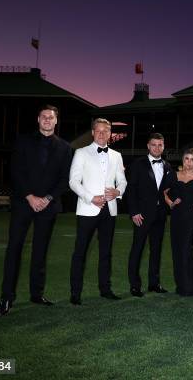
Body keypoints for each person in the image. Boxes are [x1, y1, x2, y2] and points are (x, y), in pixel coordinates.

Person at [0, 105, 72, 315]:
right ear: (38, 119)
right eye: (44, 117)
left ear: (56, 121)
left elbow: (65, 180)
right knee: (14, 249)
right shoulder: (23, 141)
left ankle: (36, 294)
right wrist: (30, 196)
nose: (47, 120)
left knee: (40, 250)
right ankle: (7, 297)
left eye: (51, 117)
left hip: (48, 206)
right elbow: (16, 172)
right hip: (23, 203)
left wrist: (47, 199)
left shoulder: (65, 147)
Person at [68, 118, 127, 305]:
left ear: (110, 133)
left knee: (106, 252)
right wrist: (90, 198)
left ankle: (105, 289)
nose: (102, 134)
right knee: (80, 252)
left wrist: (118, 192)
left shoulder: (117, 155)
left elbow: (123, 181)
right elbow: (73, 181)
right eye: (98, 131)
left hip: (109, 210)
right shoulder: (81, 152)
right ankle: (75, 293)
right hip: (87, 209)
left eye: (106, 131)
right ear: (93, 132)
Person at [127, 133, 172, 296]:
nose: (157, 148)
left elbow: (169, 191)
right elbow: (131, 189)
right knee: (137, 249)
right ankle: (135, 285)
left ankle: (154, 283)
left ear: (163, 146)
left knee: (156, 250)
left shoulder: (167, 166)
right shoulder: (138, 164)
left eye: (160, 145)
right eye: (154, 145)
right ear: (148, 146)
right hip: (142, 215)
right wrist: (134, 212)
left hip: (160, 216)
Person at [163, 149, 193, 296]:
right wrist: (170, 203)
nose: (188, 162)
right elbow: (164, 192)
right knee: (176, 252)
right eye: (186, 159)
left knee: (186, 251)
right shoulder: (173, 175)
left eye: (191, 159)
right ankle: (182, 285)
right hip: (176, 217)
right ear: (182, 160)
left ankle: (192, 286)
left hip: (191, 218)